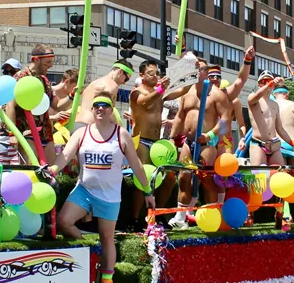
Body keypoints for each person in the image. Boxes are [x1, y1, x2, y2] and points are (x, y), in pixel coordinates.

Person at [49, 96, 153, 283]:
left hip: (109, 196)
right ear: (92, 109)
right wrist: (52, 169)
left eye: (105, 106)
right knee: (63, 222)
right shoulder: (82, 133)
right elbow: (65, 156)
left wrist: (148, 191)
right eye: (96, 105)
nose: (100, 109)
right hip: (84, 191)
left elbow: (137, 165)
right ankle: (91, 251)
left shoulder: (121, 134)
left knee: (107, 238)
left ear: (111, 110)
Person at [169, 60, 235, 228]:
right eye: (196, 68)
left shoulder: (217, 94)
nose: (198, 71)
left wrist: (209, 135)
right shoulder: (187, 92)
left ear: (207, 72)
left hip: (207, 143)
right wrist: (171, 137)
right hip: (188, 141)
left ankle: (212, 217)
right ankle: (180, 218)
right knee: (183, 177)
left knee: (207, 180)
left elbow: (226, 120)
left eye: (202, 68)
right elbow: (180, 116)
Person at [127, 60, 194, 221]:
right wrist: (161, 89)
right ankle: (134, 220)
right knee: (143, 179)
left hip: (157, 143)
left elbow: (182, 90)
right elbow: (145, 103)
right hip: (141, 140)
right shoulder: (136, 92)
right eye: (151, 73)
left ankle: (157, 214)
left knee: (170, 178)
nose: (155, 76)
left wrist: (193, 75)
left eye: (157, 73)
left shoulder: (160, 92)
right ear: (141, 75)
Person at [5, 45, 63, 165]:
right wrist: (13, 133)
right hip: (27, 132)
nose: (50, 65)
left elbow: (57, 105)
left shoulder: (44, 80)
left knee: (50, 170)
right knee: (32, 169)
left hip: (45, 133)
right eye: (47, 62)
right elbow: (10, 106)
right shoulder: (21, 77)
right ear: (36, 59)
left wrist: (73, 95)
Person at [245, 72, 294, 166]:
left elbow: (280, 129)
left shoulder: (275, 105)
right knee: (260, 174)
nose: (267, 83)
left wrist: (293, 143)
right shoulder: (253, 98)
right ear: (259, 84)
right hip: (258, 144)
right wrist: (271, 83)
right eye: (264, 81)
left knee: (279, 173)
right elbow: (257, 96)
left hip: (274, 145)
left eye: (269, 81)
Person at [76, 61, 132, 129]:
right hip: (90, 128)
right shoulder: (112, 85)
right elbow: (108, 112)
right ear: (120, 72)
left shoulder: (93, 84)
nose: (124, 83)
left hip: (77, 124)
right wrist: (119, 129)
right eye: (126, 79)